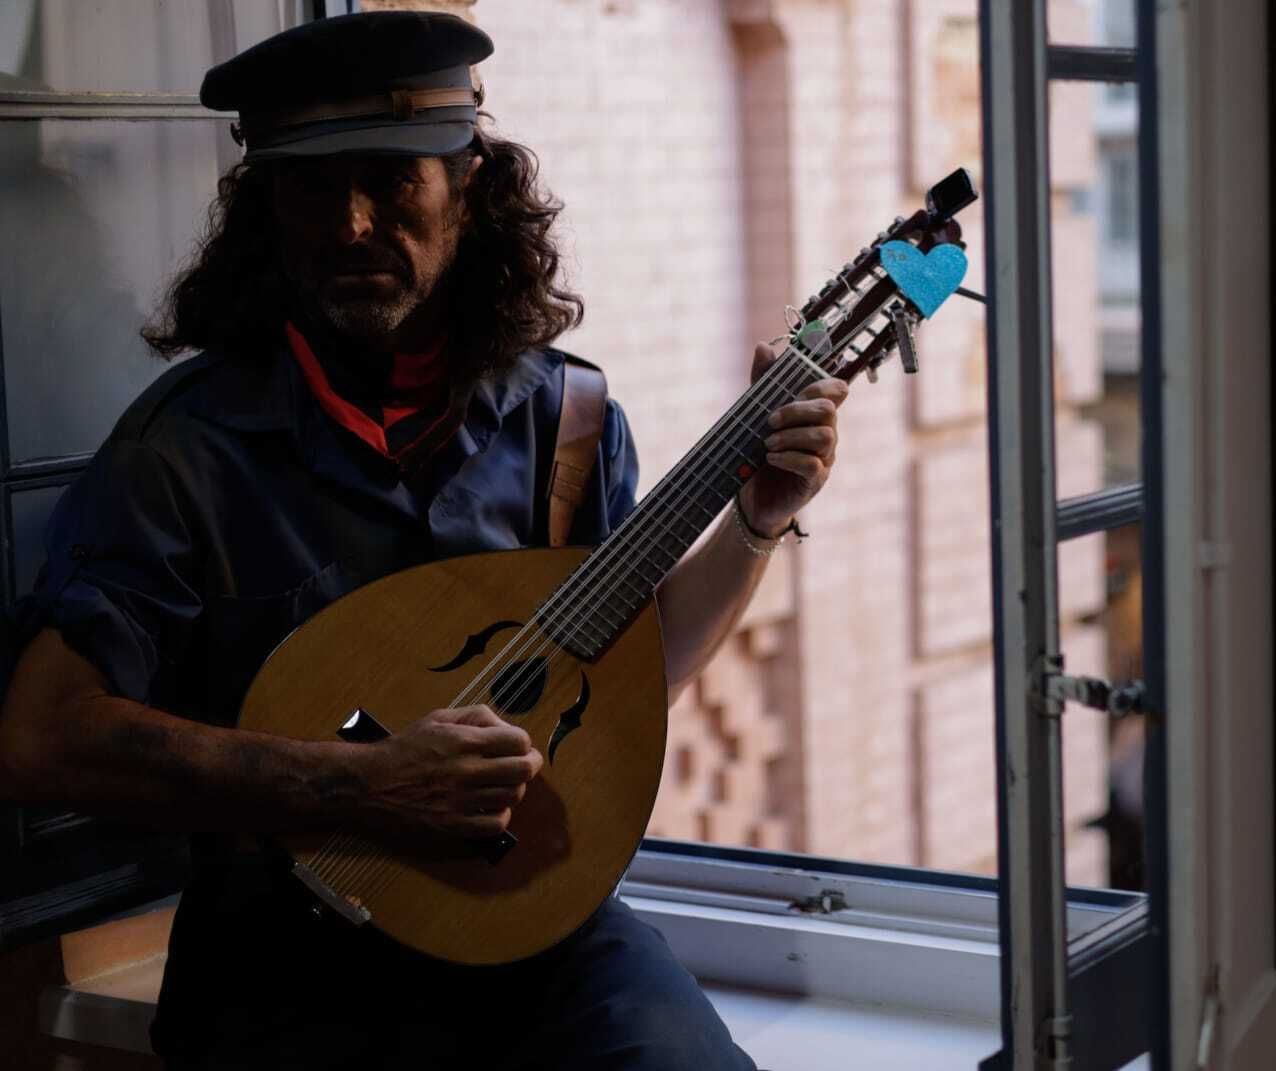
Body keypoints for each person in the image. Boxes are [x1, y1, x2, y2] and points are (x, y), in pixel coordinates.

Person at [0, 12, 847, 1069]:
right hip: (286, 958)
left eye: (392, 180)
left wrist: (756, 522)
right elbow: (40, 736)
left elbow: (623, 676)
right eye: (313, 187)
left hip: (533, 930)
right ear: (266, 213)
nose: (351, 224)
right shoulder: (182, 455)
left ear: (470, 189)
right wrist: (359, 782)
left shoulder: (566, 426)